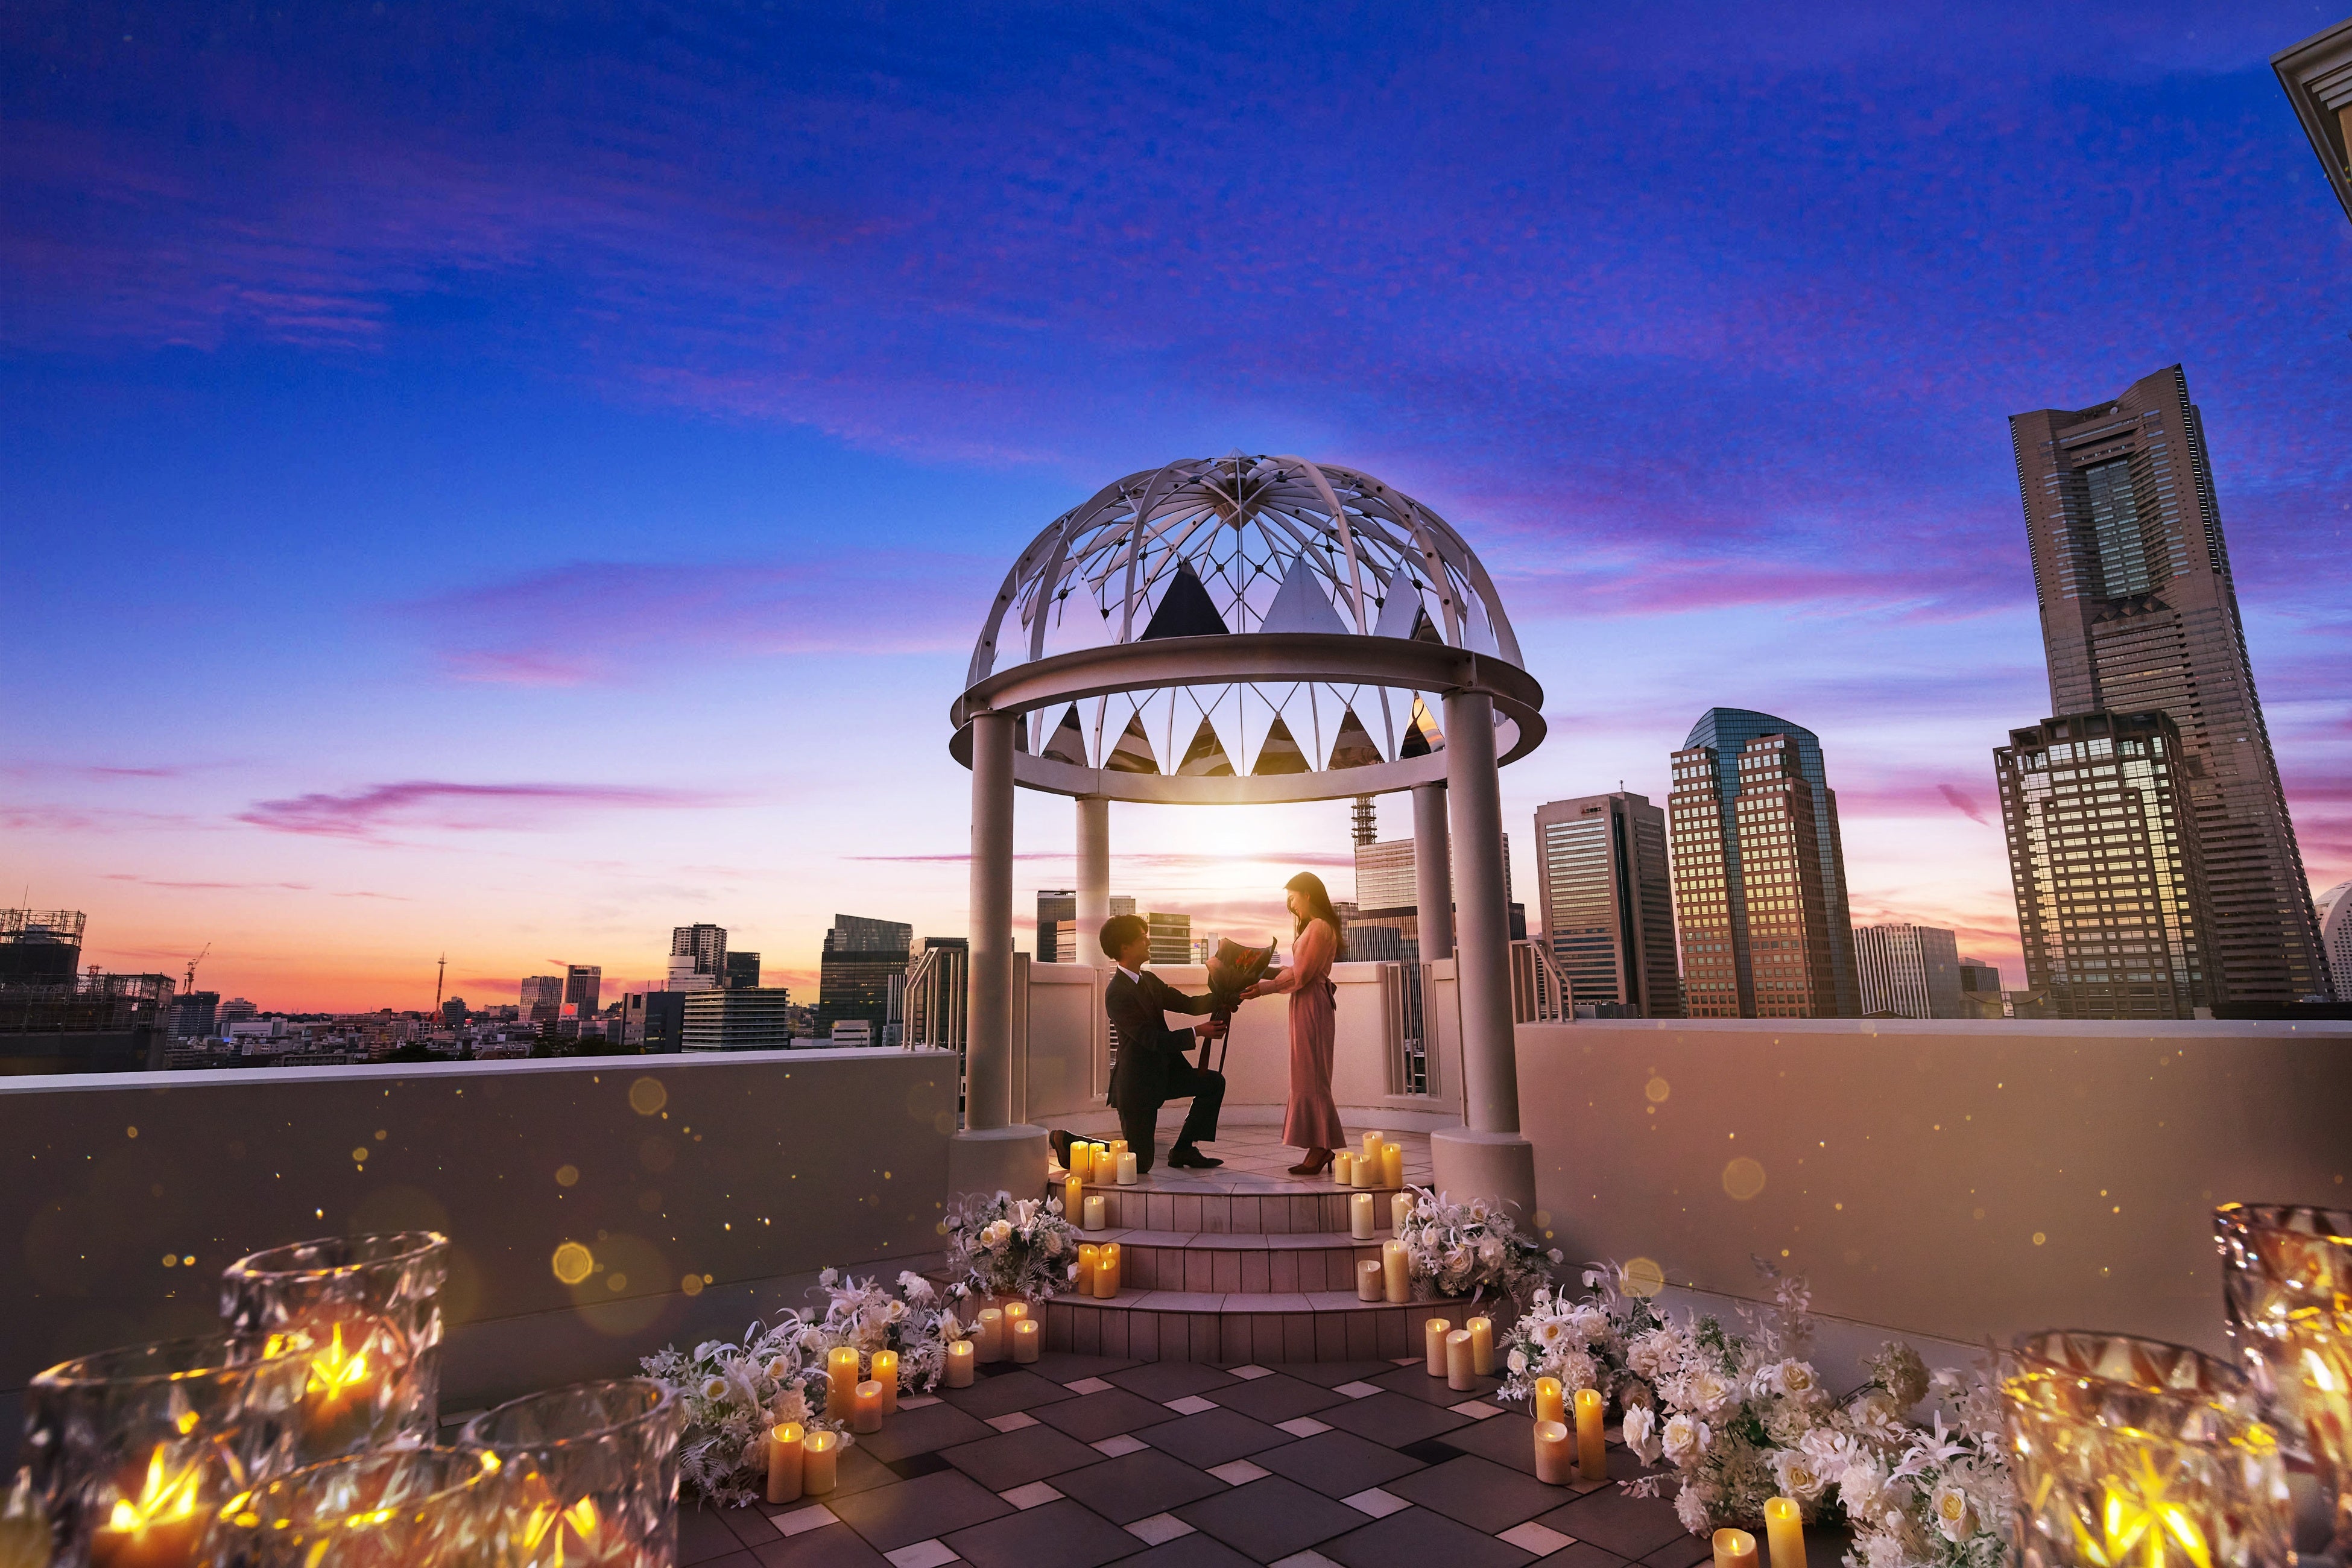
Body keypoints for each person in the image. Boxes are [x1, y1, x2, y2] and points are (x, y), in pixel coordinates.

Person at [1101, 912, 1227, 1173]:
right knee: (1140, 1163)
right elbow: (1152, 1040)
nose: (1148, 942)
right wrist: (1198, 1031)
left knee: (1213, 1083)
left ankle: (1183, 1150)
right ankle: (1071, 1142)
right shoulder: (1117, 994)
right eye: (1142, 938)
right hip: (1137, 1087)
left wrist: (1226, 995)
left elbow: (1189, 1004)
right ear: (1125, 947)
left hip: (1163, 1075)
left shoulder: (1149, 981)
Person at [1242, 871, 1346, 1175]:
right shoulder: (1318, 927)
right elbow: (1300, 970)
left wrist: (1264, 987)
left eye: (1293, 897)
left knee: (1311, 1076)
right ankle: (1319, 1144)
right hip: (1308, 1002)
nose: (1291, 904)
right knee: (1307, 1075)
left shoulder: (1318, 927)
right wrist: (1262, 980)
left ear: (1308, 894)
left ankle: (1321, 1147)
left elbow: (1301, 976)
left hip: (1311, 1003)